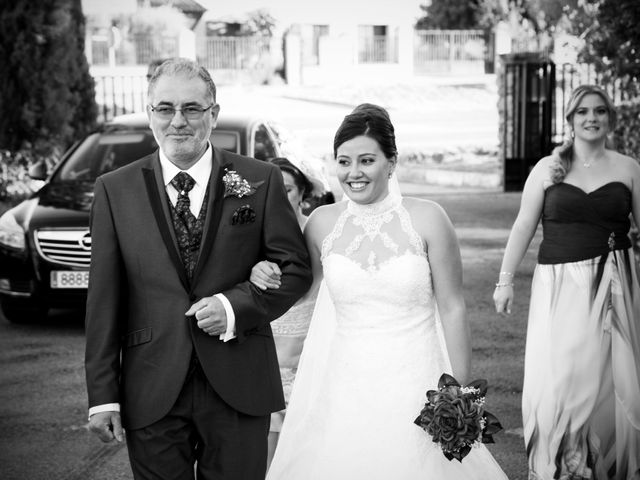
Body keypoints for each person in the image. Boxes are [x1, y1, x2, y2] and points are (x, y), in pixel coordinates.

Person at [84, 58, 312, 480]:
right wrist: (103, 396)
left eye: (192, 108)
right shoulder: (114, 190)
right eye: (165, 108)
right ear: (150, 112)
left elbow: (295, 268)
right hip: (150, 386)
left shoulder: (260, 179)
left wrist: (233, 306)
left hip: (239, 382)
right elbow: (104, 300)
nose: (178, 121)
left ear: (214, 114)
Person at [264, 103, 508, 478]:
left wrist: (459, 396)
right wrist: (260, 269)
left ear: (391, 162)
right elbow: (297, 291)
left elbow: (453, 308)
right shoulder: (321, 223)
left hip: (418, 379)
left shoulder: (428, 218)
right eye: (343, 162)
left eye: (366, 160)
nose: (353, 173)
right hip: (344, 385)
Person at [493, 85, 640, 479]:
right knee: (563, 378)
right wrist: (504, 281)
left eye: (600, 111)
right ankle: (561, 466)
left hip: (614, 286)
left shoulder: (628, 168)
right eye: (582, 112)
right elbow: (524, 225)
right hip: (559, 289)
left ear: (609, 118)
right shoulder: (546, 168)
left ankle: (609, 465)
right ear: (571, 120)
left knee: (611, 380)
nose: (591, 118)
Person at [249, 157, 319, 467]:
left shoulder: (318, 231)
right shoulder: (249, 231)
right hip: (265, 350)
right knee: (266, 447)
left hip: (310, 348)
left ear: (303, 193)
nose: (278, 196)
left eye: (287, 189)